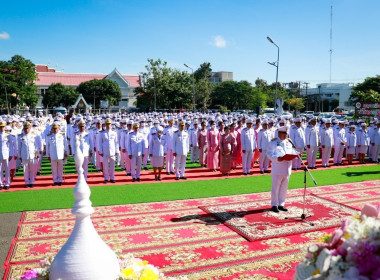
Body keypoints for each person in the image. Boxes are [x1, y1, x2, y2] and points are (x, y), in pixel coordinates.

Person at [267, 126, 295, 213]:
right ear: (279, 133)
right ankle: (274, 204)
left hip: (287, 168)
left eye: (286, 133)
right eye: (284, 133)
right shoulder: (273, 142)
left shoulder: (289, 142)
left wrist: (297, 155)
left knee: (284, 188)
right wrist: (277, 158)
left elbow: (292, 152)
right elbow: (269, 154)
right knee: (275, 187)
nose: (286, 135)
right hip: (278, 168)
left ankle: (281, 204)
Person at [99, 118, 119, 183]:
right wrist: (101, 151)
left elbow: (116, 142)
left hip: (112, 151)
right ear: (105, 125)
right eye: (107, 124)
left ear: (111, 125)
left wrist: (116, 151)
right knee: (105, 166)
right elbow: (100, 143)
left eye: (109, 124)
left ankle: (112, 177)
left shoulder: (114, 132)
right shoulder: (102, 133)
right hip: (105, 152)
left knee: (112, 166)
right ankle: (106, 178)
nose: (108, 125)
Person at [0, 121, 13, 190]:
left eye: (3, 127)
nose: (2, 128)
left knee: (7, 169)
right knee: (0, 170)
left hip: (6, 154)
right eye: (1, 127)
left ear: (5, 127)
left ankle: (7, 183)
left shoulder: (8, 135)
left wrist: (10, 154)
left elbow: (11, 146)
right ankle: (1, 184)